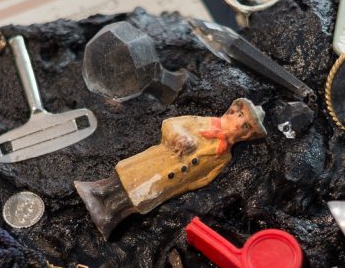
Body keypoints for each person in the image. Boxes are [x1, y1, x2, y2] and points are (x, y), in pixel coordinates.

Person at [75, 98, 266, 238]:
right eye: (240, 115)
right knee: (128, 178)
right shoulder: (201, 122)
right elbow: (170, 124)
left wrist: (181, 188)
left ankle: (110, 214)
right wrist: (179, 136)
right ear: (231, 112)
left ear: (247, 134)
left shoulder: (224, 155)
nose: (239, 124)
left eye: (247, 126)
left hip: (168, 183)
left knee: (139, 198)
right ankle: (97, 191)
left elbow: (205, 178)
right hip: (156, 162)